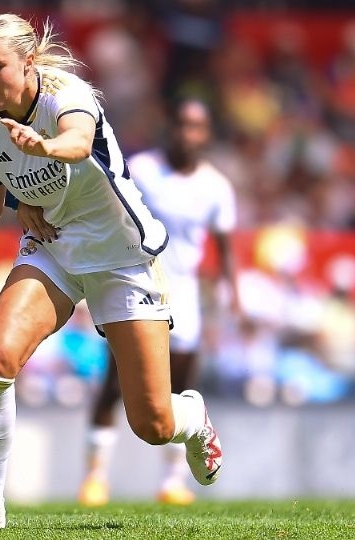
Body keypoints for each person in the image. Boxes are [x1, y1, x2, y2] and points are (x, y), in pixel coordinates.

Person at [0, 14, 224, 530]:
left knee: (153, 423)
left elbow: (78, 143)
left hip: (122, 254)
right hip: (56, 249)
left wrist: (42, 148)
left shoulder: (68, 93)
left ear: (28, 62)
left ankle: (193, 418)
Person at [79, 98, 238, 507]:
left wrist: (232, 296)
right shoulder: (144, 169)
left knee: (181, 388)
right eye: (182, 123)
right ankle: (95, 477)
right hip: (137, 282)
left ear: (207, 134)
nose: (188, 133)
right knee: (114, 383)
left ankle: (172, 481)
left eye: (197, 126)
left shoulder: (215, 186)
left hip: (184, 294)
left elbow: (224, 246)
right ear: (170, 126)